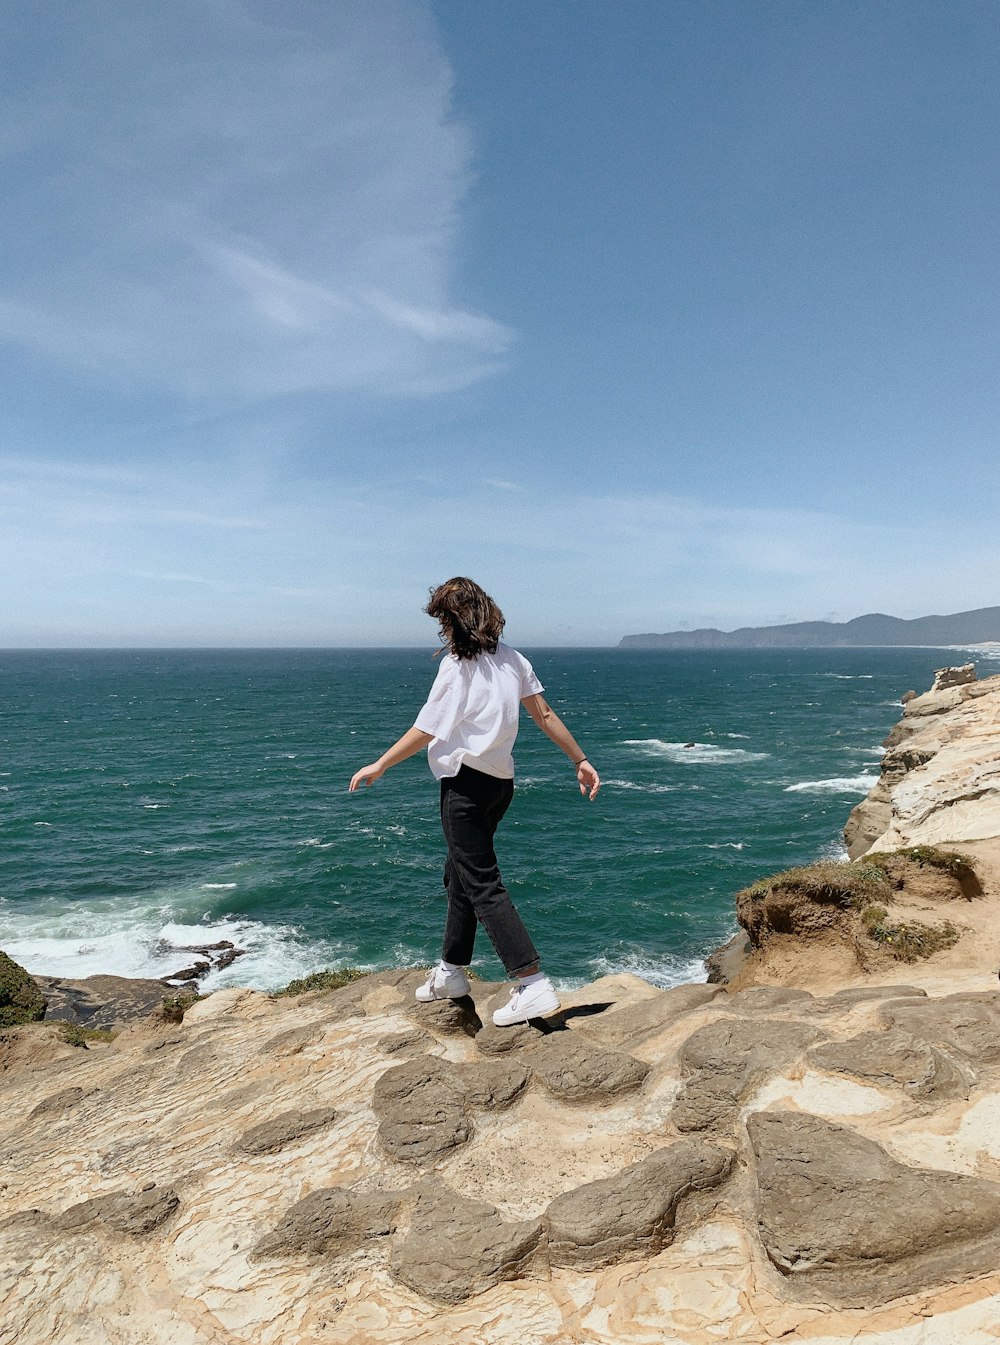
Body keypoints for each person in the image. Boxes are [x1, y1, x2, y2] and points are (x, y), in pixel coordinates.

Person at [349, 577, 600, 1026]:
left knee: (481, 882)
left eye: (443, 619)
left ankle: (532, 981)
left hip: (463, 786)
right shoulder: (513, 660)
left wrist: (380, 764)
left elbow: (428, 728)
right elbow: (544, 715)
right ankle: (451, 971)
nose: (442, 629)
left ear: (454, 620)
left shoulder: (456, 667)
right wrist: (580, 759)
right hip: (500, 785)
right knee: (459, 875)